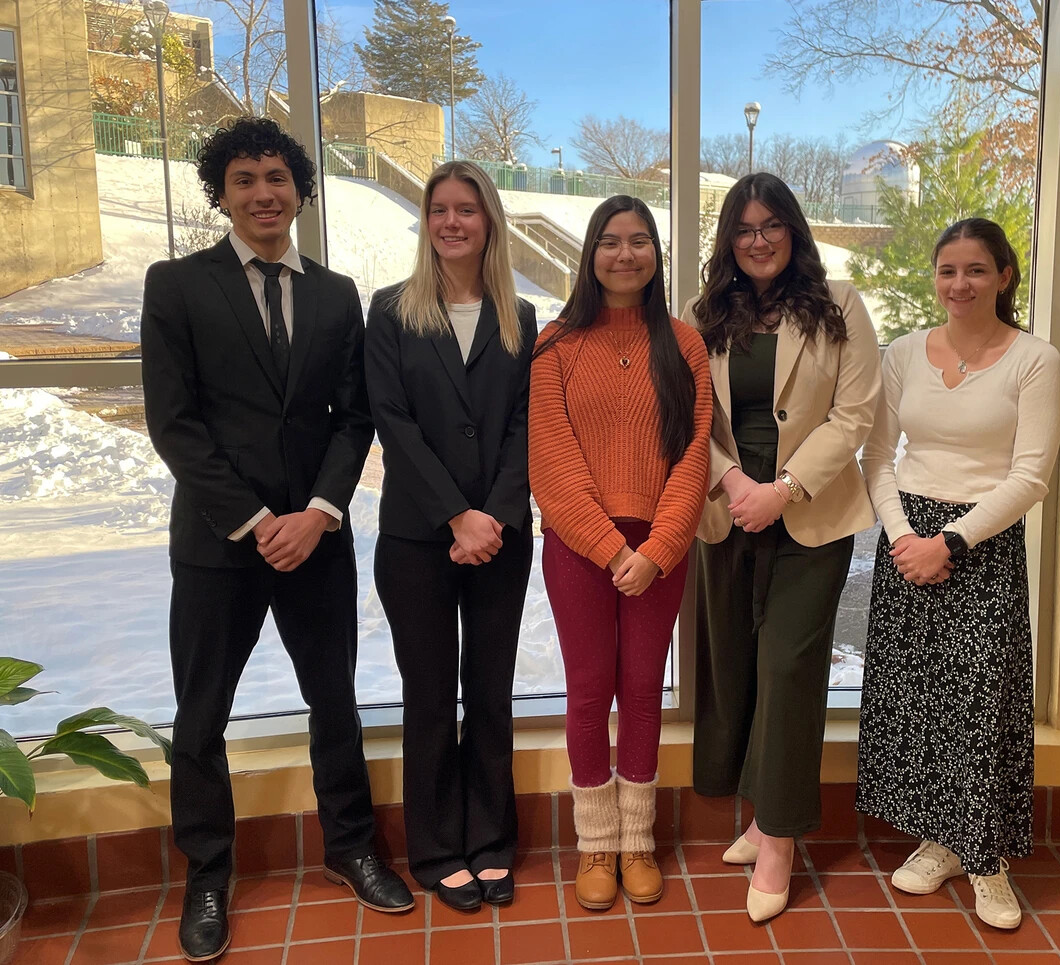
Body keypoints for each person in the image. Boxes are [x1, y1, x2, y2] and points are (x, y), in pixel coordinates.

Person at [140, 117, 413, 962]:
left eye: (277, 178)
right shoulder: (177, 285)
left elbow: (353, 416)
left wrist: (322, 511)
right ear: (220, 193)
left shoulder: (336, 295)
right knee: (201, 716)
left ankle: (351, 845)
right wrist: (258, 522)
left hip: (317, 541)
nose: (263, 193)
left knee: (334, 700)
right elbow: (175, 426)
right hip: (221, 544)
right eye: (245, 179)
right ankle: (209, 871)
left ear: (300, 190)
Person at [684, 172, 881, 923]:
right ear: (729, 240)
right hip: (727, 509)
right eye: (743, 227)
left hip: (811, 517)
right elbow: (687, 415)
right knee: (735, 667)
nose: (758, 239)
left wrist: (783, 488)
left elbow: (855, 414)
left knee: (789, 667)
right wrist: (735, 480)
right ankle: (759, 809)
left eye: (771, 225)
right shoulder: (704, 317)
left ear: (793, 231)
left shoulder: (840, 307)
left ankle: (778, 838)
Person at [856, 217, 1060, 930]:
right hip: (906, 535)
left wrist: (953, 540)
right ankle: (941, 839)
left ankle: (987, 858)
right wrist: (905, 534)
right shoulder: (904, 353)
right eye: (948, 270)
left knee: (979, 701)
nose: (959, 284)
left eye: (976, 269)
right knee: (918, 695)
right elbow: (877, 454)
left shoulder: (1034, 358)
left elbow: (1032, 475)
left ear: (1003, 274)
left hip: (983, 539)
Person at [529, 195, 711, 911]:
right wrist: (611, 549)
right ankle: (594, 844)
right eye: (611, 240)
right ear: (590, 253)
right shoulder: (557, 343)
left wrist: (660, 547)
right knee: (587, 690)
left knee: (641, 689)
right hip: (580, 547)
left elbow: (694, 454)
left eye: (640, 241)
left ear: (657, 255)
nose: (625, 254)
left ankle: (637, 840)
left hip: (660, 551)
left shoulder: (684, 343)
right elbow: (551, 460)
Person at [365, 160, 537, 911]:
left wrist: (493, 514)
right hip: (416, 537)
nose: (452, 221)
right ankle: (436, 846)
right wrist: (454, 514)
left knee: (491, 693)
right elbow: (392, 423)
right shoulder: (391, 309)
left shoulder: (520, 316)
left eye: (467, 208)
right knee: (430, 696)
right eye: (440, 208)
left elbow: (530, 425)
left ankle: (493, 839)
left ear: (489, 221)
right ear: (427, 220)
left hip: (502, 537)